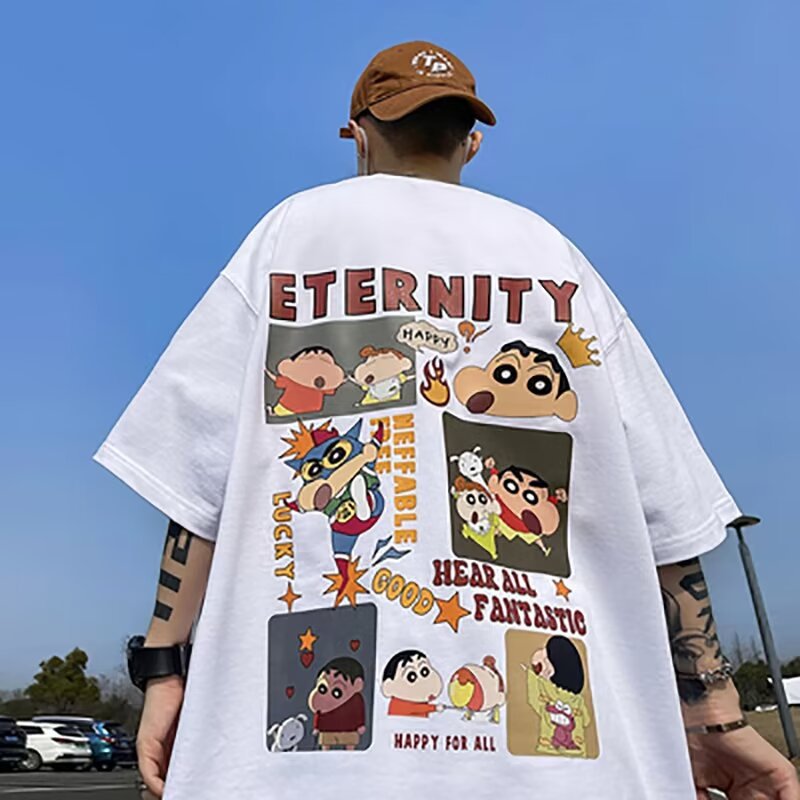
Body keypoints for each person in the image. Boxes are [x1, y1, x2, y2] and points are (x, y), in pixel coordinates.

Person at [95, 40, 799, 800]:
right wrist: (714, 713)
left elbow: (197, 487)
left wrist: (164, 667)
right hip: (555, 765)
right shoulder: (555, 258)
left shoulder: (288, 236)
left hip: (300, 767)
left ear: (358, 136)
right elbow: (666, 521)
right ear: (472, 142)